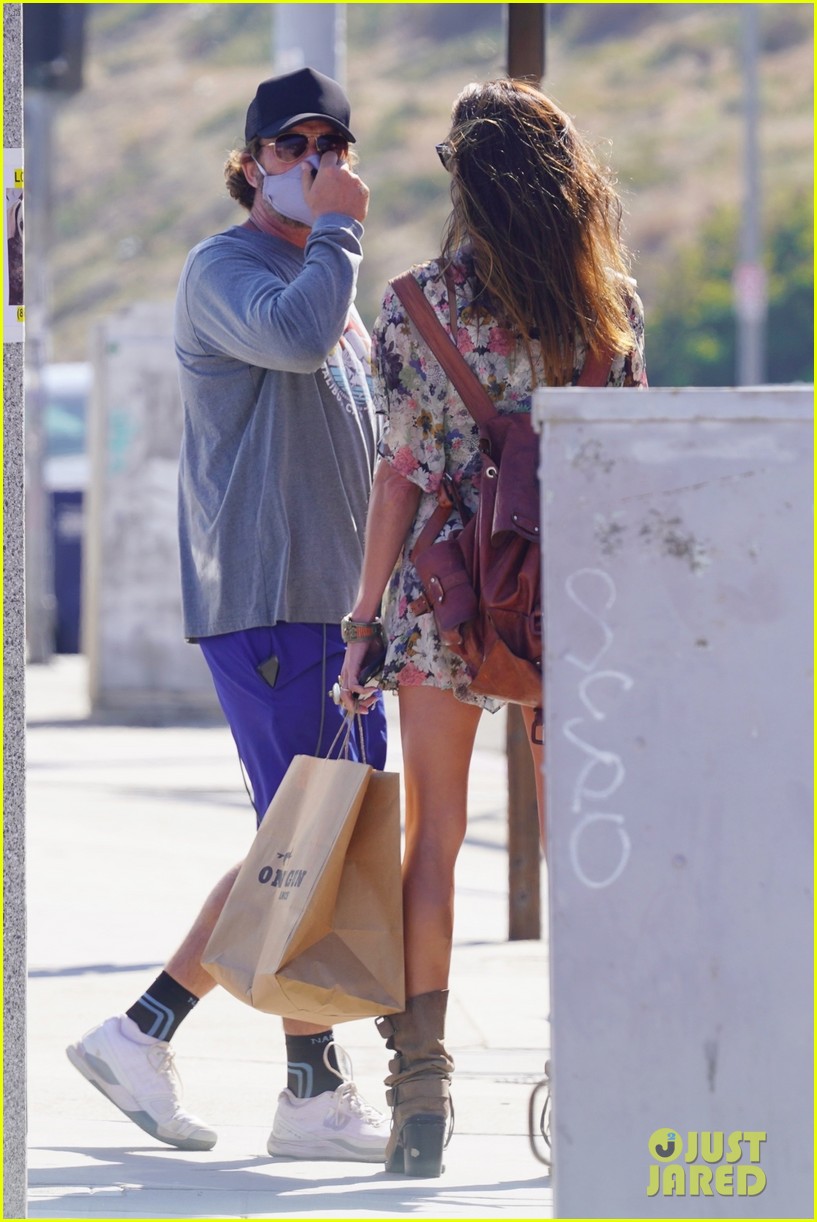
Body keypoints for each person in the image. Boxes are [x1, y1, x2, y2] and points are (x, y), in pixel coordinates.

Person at [67, 67, 390, 1163]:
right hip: (269, 598)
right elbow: (294, 341)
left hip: (334, 611)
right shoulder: (227, 269)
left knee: (308, 841)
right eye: (292, 147)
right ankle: (199, 1052)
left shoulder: (329, 280)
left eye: (332, 145)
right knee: (302, 837)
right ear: (251, 165)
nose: (316, 163)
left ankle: (233, 1062)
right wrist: (341, 232)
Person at [337, 78, 647, 1177]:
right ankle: (590, 1080)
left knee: (434, 839)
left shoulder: (413, 306)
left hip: (444, 608)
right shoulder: (607, 309)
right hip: (573, 607)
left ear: (463, 183)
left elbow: (401, 475)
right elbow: (626, 470)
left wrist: (362, 624)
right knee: (582, 848)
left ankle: (421, 1098)